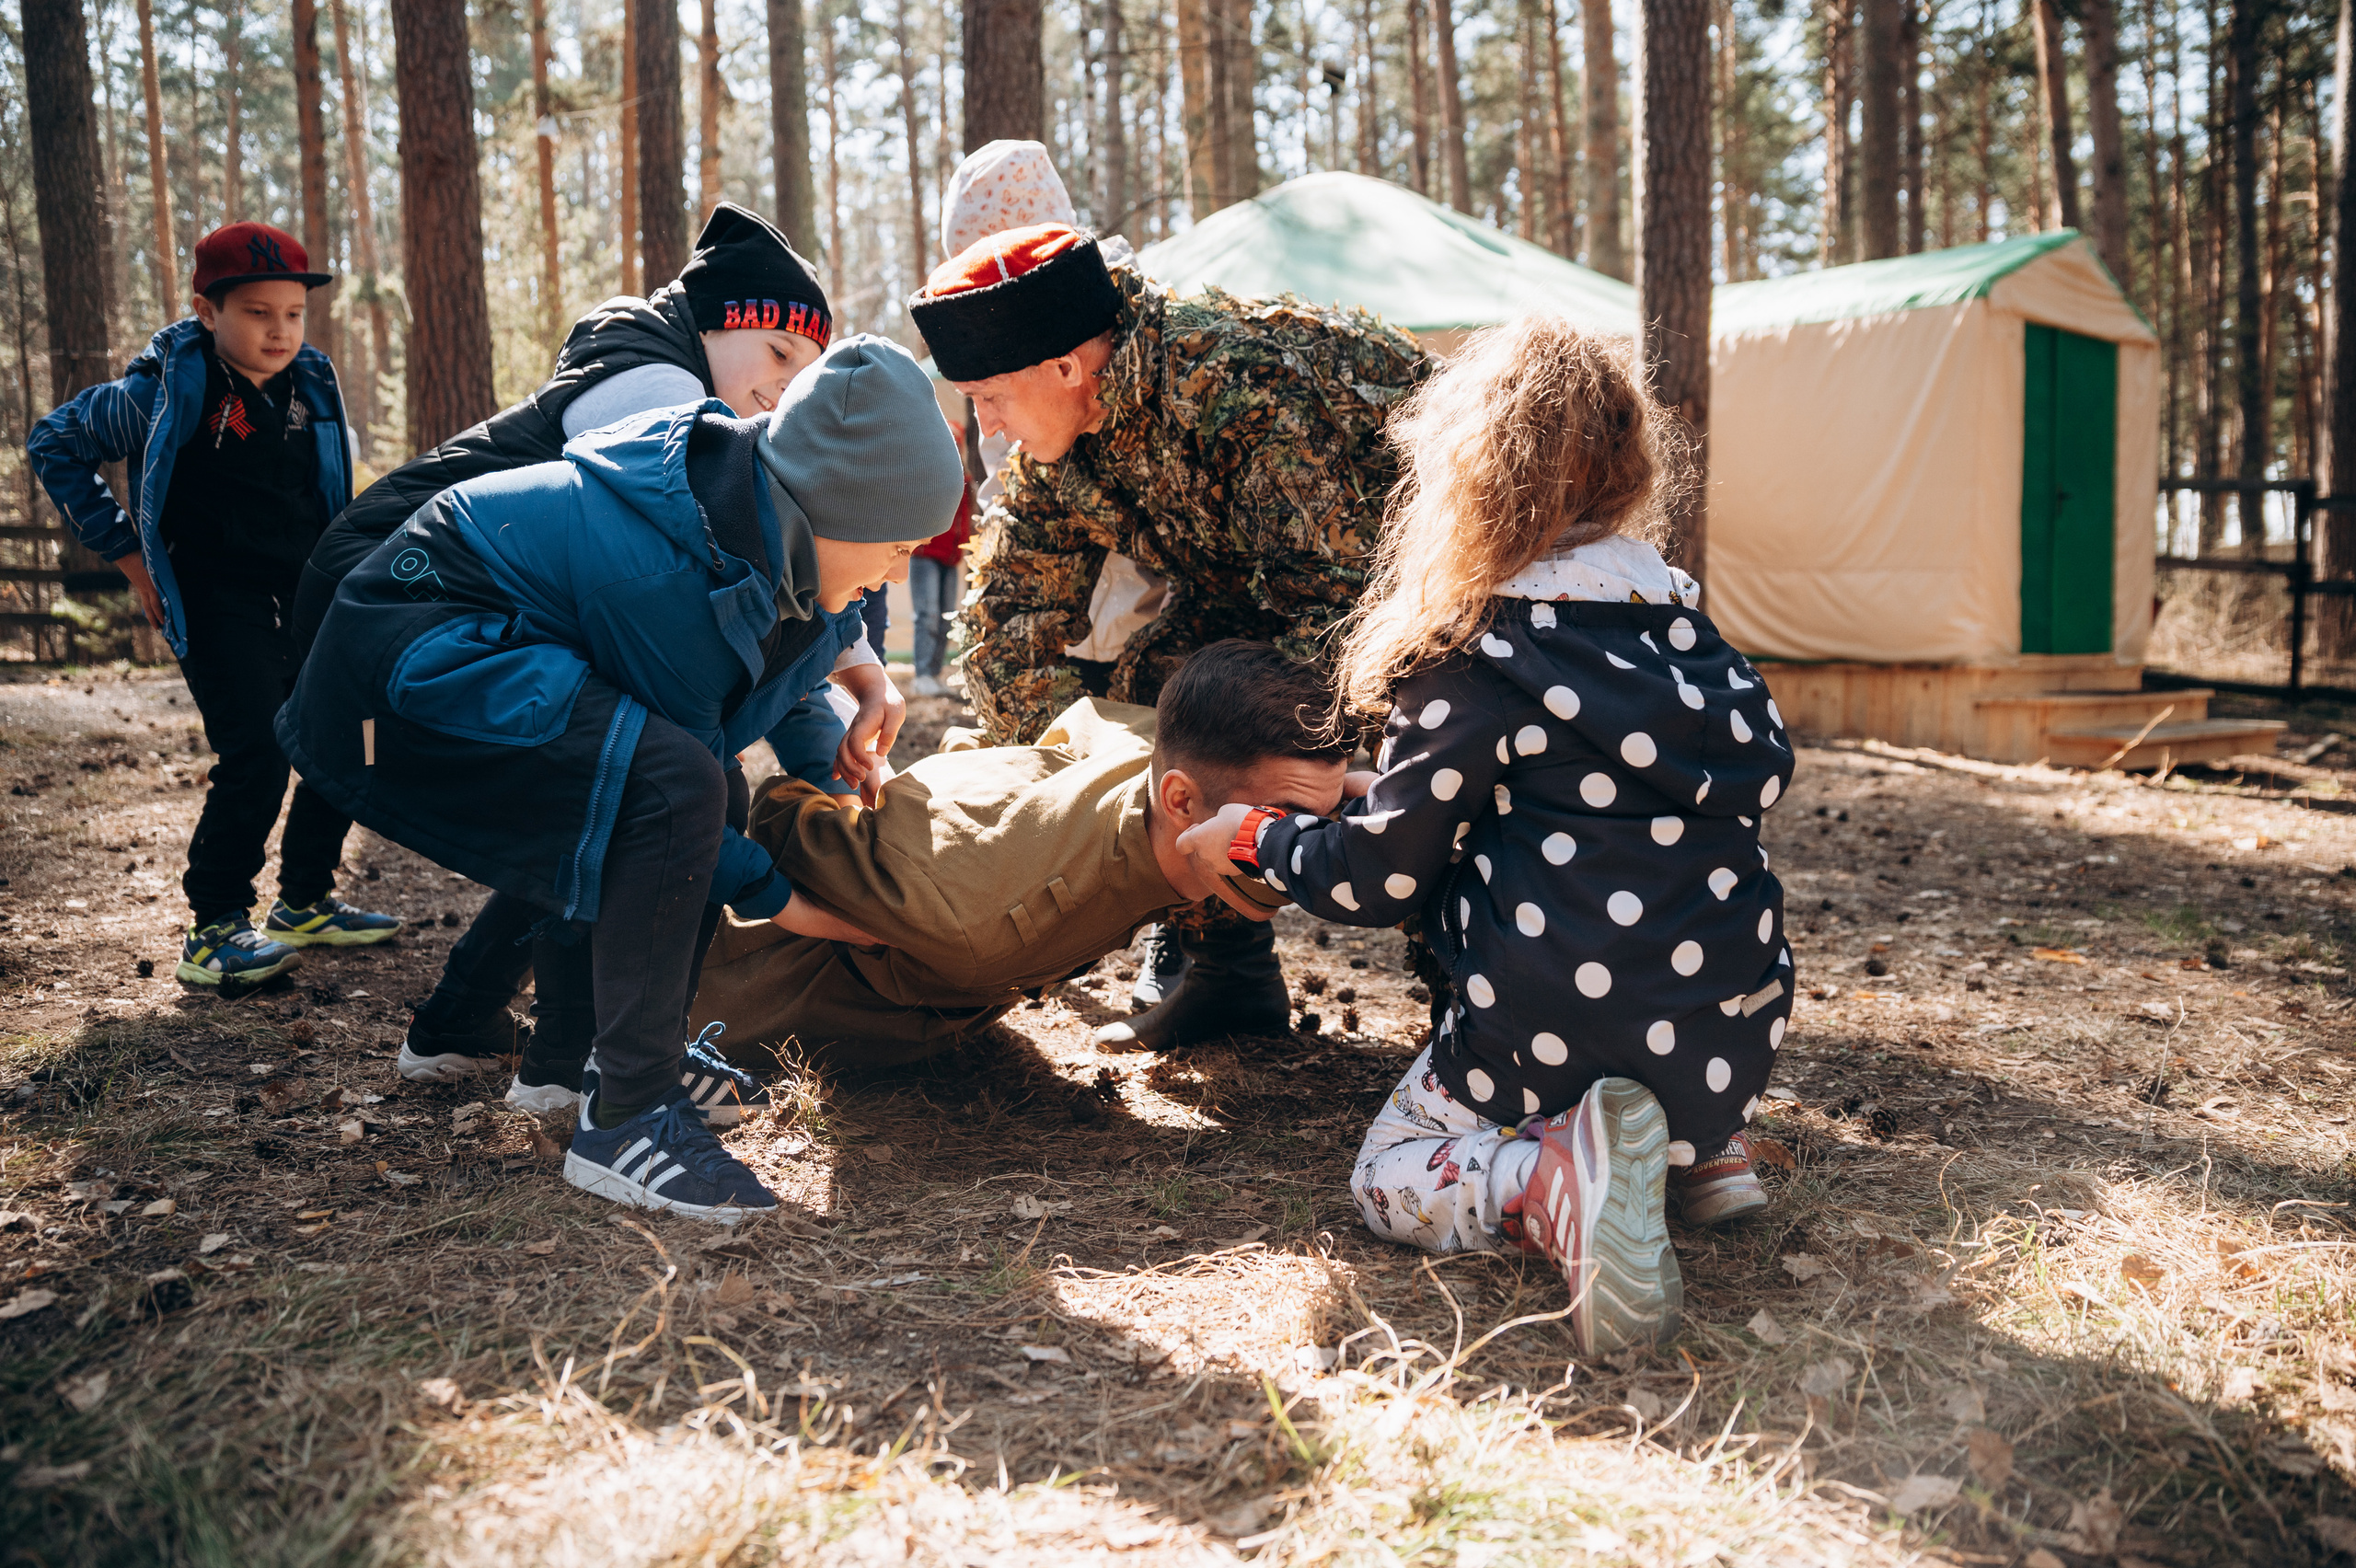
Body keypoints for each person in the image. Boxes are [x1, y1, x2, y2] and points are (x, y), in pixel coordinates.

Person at [1175, 317, 1796, 1356]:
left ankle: (1548, 1180)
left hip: (1554, 1025)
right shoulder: (1690, 636)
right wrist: (1392, 789)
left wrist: (1253, 840)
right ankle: (1698, 1144)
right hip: (1725, 1025)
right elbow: (1599, 805)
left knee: (1390, 1174)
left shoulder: (1481, 654)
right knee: (1653, 933)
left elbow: (1375, 880)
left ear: (1469, 477)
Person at [280, 336, 964, 1221]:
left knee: (678, 781)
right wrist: (780, 899)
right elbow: (666, 796)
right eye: (897, 543)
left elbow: (784, 657)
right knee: (675, 785)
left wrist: (848, 730)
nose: (902, 570)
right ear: (833, 506)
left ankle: (567, 1064)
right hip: (405, 664)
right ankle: (630, 1115)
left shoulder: (768, 523)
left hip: (480, 648)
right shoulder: (668, 573)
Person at [288, 203, 903, 1090]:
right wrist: (789, 895)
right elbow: (723, 617)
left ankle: (463, 1024)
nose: (783, 390)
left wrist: (844, 730)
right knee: (655, 784)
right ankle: (578, 1064)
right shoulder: (658, 399)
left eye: (805, 372)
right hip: (404, 610)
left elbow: (762, 637)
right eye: (777, 354)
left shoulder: (720, 442)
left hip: (447, 619)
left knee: (603, 783)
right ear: (715, 324)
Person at [907, 222, 1429, 1053]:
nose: (990, 427)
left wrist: (1265, 797)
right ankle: (1230, 974)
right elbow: (1007, 626)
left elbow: (1336, 618)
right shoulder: (1068, 437)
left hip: (1430, 607)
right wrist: (1069, 797)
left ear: (1067, 367)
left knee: (1434, 745)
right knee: (1159, 689)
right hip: (1283, 602)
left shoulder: (1242, 389)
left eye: (990, 398)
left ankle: (1478, 1009)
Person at [27, 222, 401, 990]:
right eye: (258, 312)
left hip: (305, 589)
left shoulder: (314, 384)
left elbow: (331, 495)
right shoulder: (165, 389)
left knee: (350, 733)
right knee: (259, 749)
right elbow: (54, 443)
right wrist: (130, 560)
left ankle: (304, 899)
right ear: (208, 310)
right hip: (212, 595)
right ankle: (216, 925)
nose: (279, 330)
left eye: (293, 313)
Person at [682, 641, 1347, 1070]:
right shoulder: (984, 919)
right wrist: (869, 796)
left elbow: (1091, 725)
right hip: (737, 988)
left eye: (1324, 812)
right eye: (1284, 819)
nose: (1306, 840)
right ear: (1178, 800)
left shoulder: (1163, 761)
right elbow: (783, 818)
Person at [907, 477, 973, 698]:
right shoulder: (935, 468)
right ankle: (922, 675)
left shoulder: (966, 478)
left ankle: (934, 673)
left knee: (946, 618)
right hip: (927, 554)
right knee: (928, 615)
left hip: (951, 558)